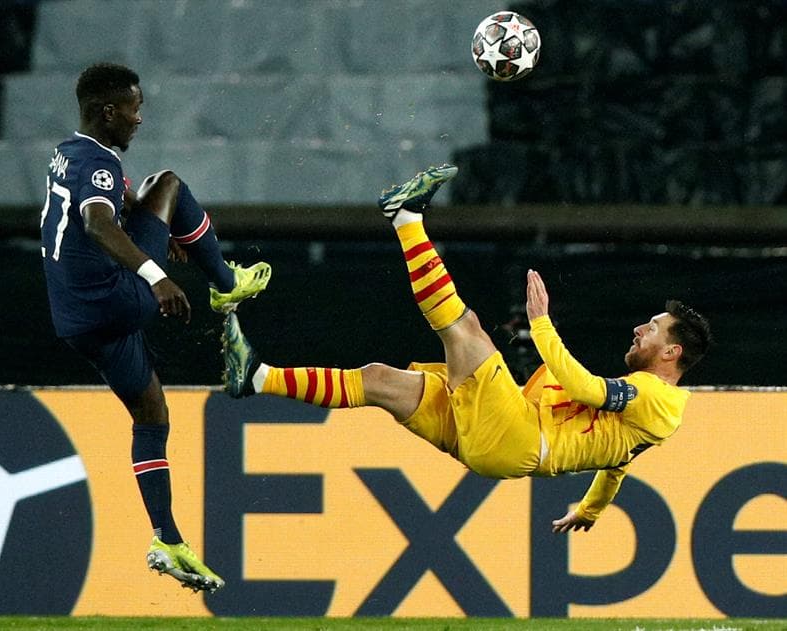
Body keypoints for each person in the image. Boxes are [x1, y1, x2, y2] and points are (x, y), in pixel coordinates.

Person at [221, 164, 712, 533]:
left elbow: (583, 387)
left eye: (653, 329)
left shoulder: (656, 397)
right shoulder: (652, 415)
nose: (639, 330)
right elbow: (616, 469)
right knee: (378, 379)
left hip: (518, 437)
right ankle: (256, 377)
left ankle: (405, 217)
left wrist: (542, 324)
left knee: (465, 329)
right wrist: (589, 510)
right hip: (502, 443)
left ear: (672, 353)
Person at [40, 62, 271, 592]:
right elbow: (97, 221)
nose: (139, 118)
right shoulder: (98, 162)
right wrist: (156, 274)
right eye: (133, 108)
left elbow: (111, 200)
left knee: (151, 411)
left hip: (76, 320)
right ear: (108, 112)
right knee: (167, 184)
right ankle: (225, 282)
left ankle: (167, 537)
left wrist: (155, 230)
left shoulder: (67, 153)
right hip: (115, 299)